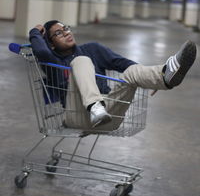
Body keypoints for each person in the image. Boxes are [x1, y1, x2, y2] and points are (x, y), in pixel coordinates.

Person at [29, 20, 196, 129]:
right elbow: (41, 52)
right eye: (58, 33)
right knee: (81, 61)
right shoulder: (52, 60)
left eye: (65, 28)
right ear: (50, 44)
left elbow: (123, 63)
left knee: (131, 71)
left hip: (109, 115)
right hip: (76, 115)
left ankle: (164, 75)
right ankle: (94, 107)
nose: (66, 33)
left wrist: (152, 80)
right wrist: (35, 32)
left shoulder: (93, 49)